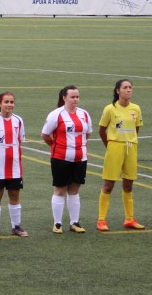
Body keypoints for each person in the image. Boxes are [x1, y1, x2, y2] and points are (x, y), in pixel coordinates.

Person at [41, 85, 92, 234]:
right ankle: (57, 223)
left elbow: (87, 133)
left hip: (80, 158)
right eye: (72, 97)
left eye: (77, 97)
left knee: (74, 190)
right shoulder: (56, 115)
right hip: (60, 158)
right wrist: (57, 147)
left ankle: (74, 222)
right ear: (64, 98)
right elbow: (45, 134)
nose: (75, 100)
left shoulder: (84, 114)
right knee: (60, 189)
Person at [97, 79, 144, 231]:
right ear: (118, 91)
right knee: (109, 184)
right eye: (125, 87)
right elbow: (101, 130)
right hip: (114, 147)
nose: (128, 90)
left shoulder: (136, 108)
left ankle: (129, 219)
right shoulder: (110, 109)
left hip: (131, 147)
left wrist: (130, 140)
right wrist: (111, 145)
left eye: (130, 87)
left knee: (129, 184)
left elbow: (136, 128)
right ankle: (101, 220)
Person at [0, 92, 28, 237]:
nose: (9, 104)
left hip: (15, 166)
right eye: (6, 102)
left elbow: (19, 140)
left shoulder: (18, 121)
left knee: (14, 194)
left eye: (11, 102)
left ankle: (16, 226)